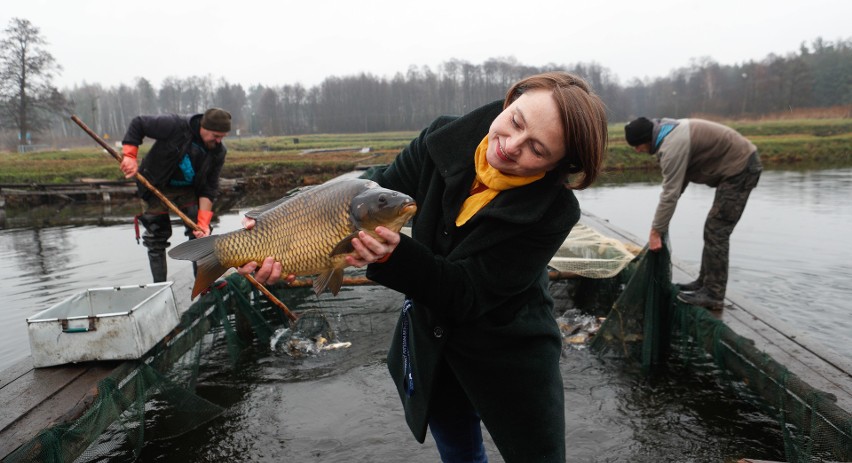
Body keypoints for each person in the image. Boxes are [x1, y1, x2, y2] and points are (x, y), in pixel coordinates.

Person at [239, 72, 609, 462]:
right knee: (460, 452)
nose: (511, 145)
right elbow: (374, 187)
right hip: (433, 339)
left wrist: (391, 255)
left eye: (536, 148)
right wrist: (280, 229)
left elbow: (467, 292)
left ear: (558, 165)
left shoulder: (554, 210)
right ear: (510, 101)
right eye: (516, 122)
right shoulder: (443, 139)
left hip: (509, 347)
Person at [624, 116, 762, 310]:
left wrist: (656, 231)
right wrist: (661, 224)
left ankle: (713, 294)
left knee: (717, 230)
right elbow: (677, 187)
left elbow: (670, 193)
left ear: (647, 139)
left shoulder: (672, 146)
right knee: (713, 228)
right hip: (736, 166)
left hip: (741, 167)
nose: (637, 151)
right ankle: (704, 283)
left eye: (637, 146)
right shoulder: (668, 134)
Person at [119, 108, 231, 283]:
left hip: (189, 190)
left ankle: (204, 284)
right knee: (157, 236)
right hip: (155, 184)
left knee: (200, 234)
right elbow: (138, 123)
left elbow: (209, 188)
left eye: (222, 137)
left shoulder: (218, 152)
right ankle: (160, 287)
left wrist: (203, 223)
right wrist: (129, 157)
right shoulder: (175, 125)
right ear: (203, 127)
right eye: (216, 136)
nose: (218, 141)